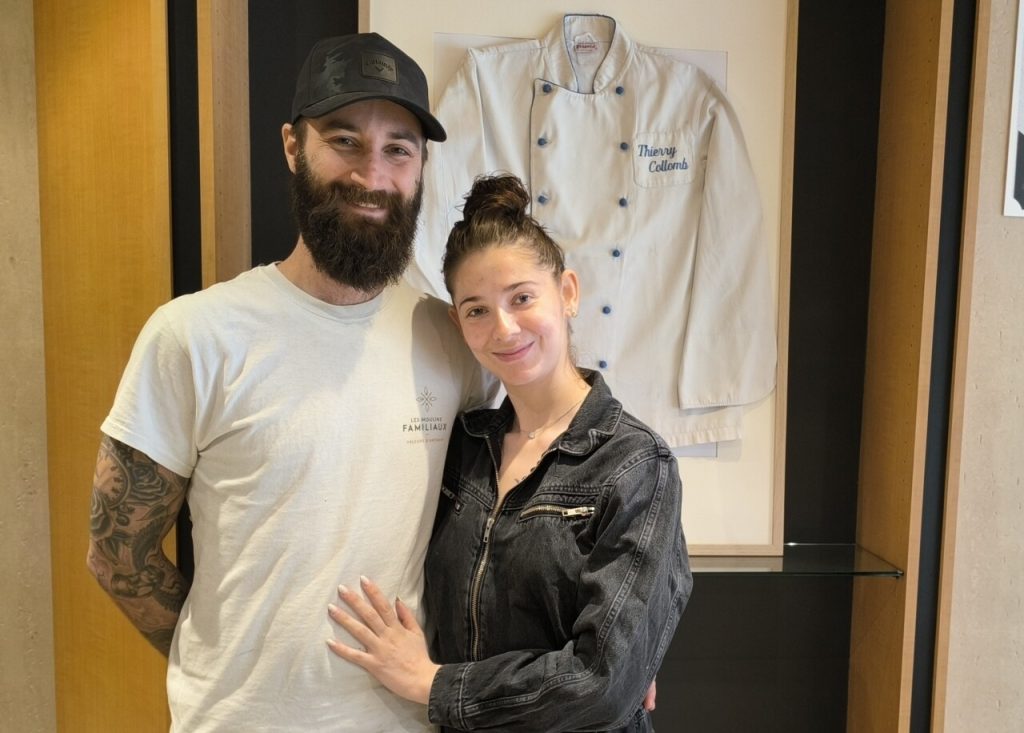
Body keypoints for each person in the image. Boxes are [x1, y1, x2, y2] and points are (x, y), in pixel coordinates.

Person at [86, 33, 493, 732]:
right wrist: (223, 660)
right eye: (344, 140)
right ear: (292, 146)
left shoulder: (452, 338)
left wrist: (613, 647)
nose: (372, 175)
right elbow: (116, 555)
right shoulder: (195, 335)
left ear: (422, 167)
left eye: (398, 149)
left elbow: (524, 502)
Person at [327, 174, 693, 732]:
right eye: (477, 310)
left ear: (567, 293)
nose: (504, 328)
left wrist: (434, 684)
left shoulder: (635, 464)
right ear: (458, 324)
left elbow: (603, 683)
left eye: (522, 298)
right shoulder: (464, 447)